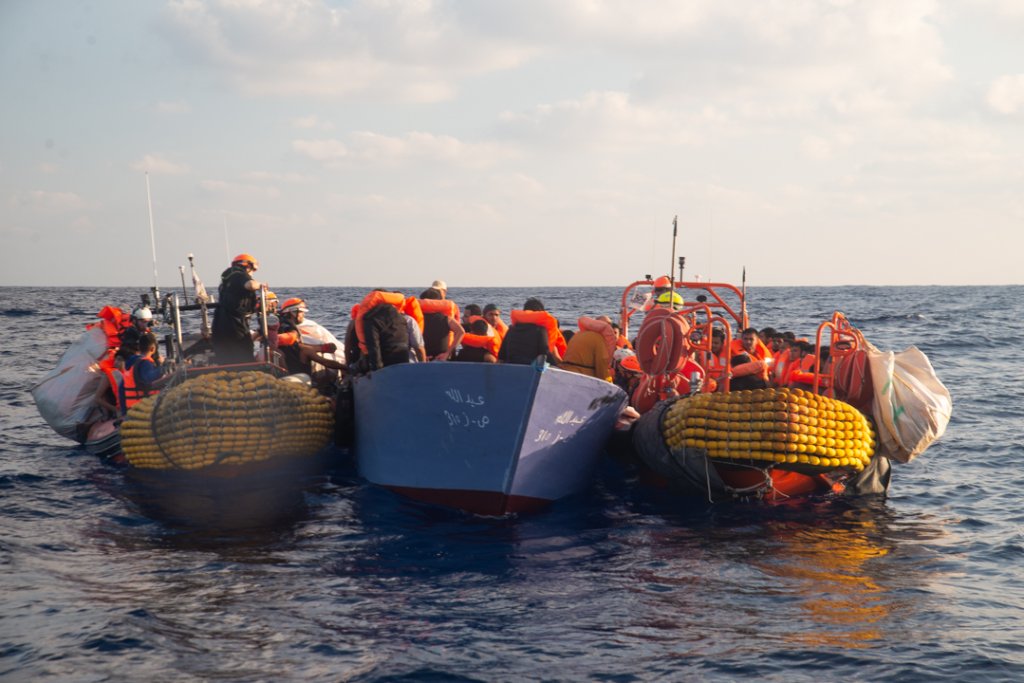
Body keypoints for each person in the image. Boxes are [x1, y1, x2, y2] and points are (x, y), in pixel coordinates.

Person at [211, 253, 266, 364]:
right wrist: (261, 285)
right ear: (248, 266)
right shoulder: (239, 275)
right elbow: (250, 285)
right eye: (253, 270)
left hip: (219, 322)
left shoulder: (227, 281)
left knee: (225, 358)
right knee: (244, 355)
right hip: (234, 324)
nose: (252, 273)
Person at [276, 298, 345, 379]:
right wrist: (346, 368)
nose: (303, 315)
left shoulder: (309, 327)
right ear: (293, 313)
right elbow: (326, 362)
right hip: (304, 380)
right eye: (302, 312)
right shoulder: (304, 349)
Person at [497, 297, 564, 365]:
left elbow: (501, 356)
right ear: (540, 313)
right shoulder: (540, 331)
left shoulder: (511, 330)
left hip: (510, 368)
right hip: (530, 371)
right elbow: (545, 355)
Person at [560, 316, 615, 381]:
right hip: (583, 378)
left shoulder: (578, 334)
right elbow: (601, 364)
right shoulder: (598, 339)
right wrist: (608, 382)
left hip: (566, 372)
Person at [419, 287, 464, 361]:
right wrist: (448, 353)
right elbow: (461, 332)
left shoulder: (416, 319)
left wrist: (421, 357)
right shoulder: (446, 319)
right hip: (442, 359)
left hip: (423, 359)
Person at [121, 333, 163, 412]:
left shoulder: (132, 363)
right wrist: (163, 367)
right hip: (143, 407)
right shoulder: (145, 363)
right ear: (153, 349)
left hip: (132, 407)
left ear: (139, 348)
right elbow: (149, 378)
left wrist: (123, 412)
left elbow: (121, 389)